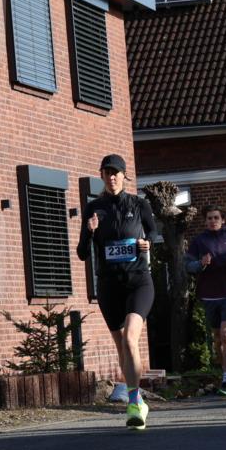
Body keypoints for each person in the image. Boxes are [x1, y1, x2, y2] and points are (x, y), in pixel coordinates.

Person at [76, 154, 157, 429]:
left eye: (116, 173)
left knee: (131, 340)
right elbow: (81, 253)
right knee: (121, 345)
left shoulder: (139, 204)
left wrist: (147, 244)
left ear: (124, 176)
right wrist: (89, 231)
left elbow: (153, 233)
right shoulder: (94, 209)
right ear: (101, 176)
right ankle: (137, 398)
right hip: (109, 285)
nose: (111, 177)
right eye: (107, 173)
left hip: (138, 280)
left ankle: (134, 402)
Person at [185, 205, 226, 397]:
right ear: (205, 221)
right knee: (217, 340)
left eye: (216, 218)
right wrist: (200, 264)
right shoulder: (199, 241)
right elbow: (188, 265)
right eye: (209, 218)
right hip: (209, 294)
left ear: (223, 220)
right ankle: (225, 371)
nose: (213, 221)